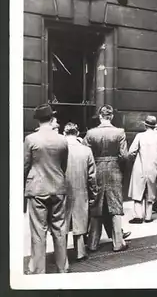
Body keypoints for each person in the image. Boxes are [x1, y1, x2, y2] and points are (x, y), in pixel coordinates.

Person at [24, 104, 69, 274]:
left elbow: (25, 165)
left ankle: (38, 269)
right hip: (58, 187)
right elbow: (63, 165)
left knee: (38, 230)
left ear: (38, 120)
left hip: (37, 188)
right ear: (51, 119)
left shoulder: (31, 139)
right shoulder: (62, 139)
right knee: (59, 229)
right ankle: (62, 267)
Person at [83, 105, 128, 252]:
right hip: (114, 169)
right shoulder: (119, 132)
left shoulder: (90, 134)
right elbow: (124, 156)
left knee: (96, 205)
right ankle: (118, 243)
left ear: (100, 116)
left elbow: (85, 153)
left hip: (96, 168)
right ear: (112, 116)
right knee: (115, 207)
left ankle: (92, 243)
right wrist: (119, 166)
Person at [63, 122, 98, 262]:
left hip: (62, 190)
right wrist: (93, 194)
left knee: (62, 223)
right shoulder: (86, 150)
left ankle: (62, 253)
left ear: (64, 133)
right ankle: (80, 252)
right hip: (81, 189)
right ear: (77, 133)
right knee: (80, 221)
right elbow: (92, 176)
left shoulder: (59, 148)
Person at [127, 116, 157, 224]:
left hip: (140, 167)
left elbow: (131, 152)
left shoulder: (140, 136)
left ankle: (138, 216)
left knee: (138, 192)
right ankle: (148, 216)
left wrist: (133, 159)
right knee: (150, 193)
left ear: (145, 125)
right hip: (153, 168)